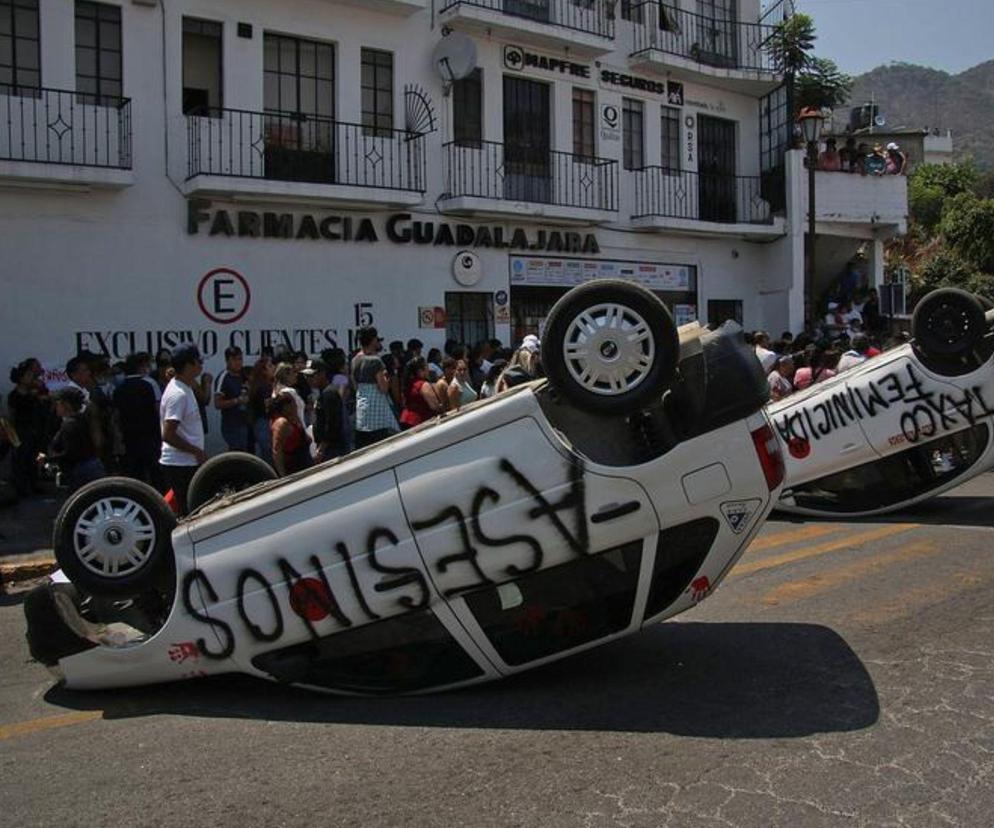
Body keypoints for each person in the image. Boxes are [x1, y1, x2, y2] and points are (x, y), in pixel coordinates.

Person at [159, 344, 207, 516]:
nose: (201, 365)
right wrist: (196, 451)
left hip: (187, 461)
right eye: (199, 361)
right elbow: (168, 434)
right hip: (180, 464)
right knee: (189, 512)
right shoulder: (178, 394)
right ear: (189, 364)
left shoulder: (185, 386)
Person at [38, 387, 105, 492]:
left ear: (66, 405)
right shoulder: (81, 419)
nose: (56, 407)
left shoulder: (70, 425)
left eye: (58, 404)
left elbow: (70, 453)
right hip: (92, 467)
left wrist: (47, 459)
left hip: (82, 472)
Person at [114, 352, 162, 488]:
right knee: (156, 475)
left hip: (129, 439)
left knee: (135, 477)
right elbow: (159, 410)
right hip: (151, 437)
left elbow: (117, 416)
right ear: (142, 366)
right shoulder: (149, 383)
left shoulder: (119, 387)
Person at [352, 327, 399, 448]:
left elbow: (354, 385)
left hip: (362, 408)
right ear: (373, 340)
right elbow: (383, 388)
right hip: (377, 410)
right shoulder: (376, 361)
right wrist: (387, 379)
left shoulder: (355, 360)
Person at [6, 360, 47, 496]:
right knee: (21, 460)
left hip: (34, 430)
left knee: (33, 459)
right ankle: (21, 488)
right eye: (28, 376)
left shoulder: (34, 395)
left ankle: (33, 484)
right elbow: (11, 416)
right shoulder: (15, 396)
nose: (32, 379)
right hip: (20, 431)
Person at [305, 360, 346, 462]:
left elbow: (332, 424)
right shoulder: (323, 393)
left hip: (332, 449)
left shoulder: (329, 393)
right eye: (306, 376)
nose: (308, 379)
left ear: (322, 373)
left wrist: (322, 449)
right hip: (326, 447)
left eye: (312, 375)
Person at [214, 346, 251, 452]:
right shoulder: (223, 377)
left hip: (246, 423)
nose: (238, 362)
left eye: (240, 359)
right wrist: (237, 401)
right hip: (231, 425)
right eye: (234, 359)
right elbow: (217, 403)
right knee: (237, 455)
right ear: (227, 360)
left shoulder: (243, 375)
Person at [269, 391, 312, 476]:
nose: (296, 406)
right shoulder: (282, 423)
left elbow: (307, 439)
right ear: (285, 407)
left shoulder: (293, 419)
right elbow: (277, 451)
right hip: (294, 466)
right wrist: (282, 475)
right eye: (293, 403)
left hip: (304, 461)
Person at [399, 357, 445, 429]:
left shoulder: (407, 385)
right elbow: (434, 406)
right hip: (419, 422)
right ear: (421, 370)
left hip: (406, 421)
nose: (428, 370)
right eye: (426, 367)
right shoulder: (422, 385)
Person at [247, 357, 275, 464]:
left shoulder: (261, 385)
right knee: (267, 453)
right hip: (264, 423)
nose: (273, 368)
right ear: (263, 370)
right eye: (270, 366)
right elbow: (267, 408)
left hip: (261, 423)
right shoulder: (264, 388)